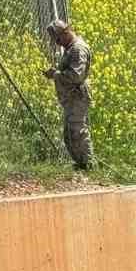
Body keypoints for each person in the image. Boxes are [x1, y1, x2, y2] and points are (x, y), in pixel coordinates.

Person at [43, 20, 92, 170]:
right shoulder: (71, 48)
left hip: (77, 97)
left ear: (66, 33)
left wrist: (55, 74)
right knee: (70, 134)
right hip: (72, 98)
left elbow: (76, 76)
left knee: (77, 132)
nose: (57, 43)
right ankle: (80, 164)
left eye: (58, 40)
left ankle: (88, 164)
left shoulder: (77, 49)